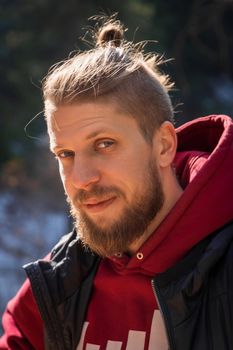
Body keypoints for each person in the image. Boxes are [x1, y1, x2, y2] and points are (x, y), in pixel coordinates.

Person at [1, 17, 233, 350]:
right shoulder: (62, 279)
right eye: (65, 154)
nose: (82, 178)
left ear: (164, 146)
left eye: (104, 144)